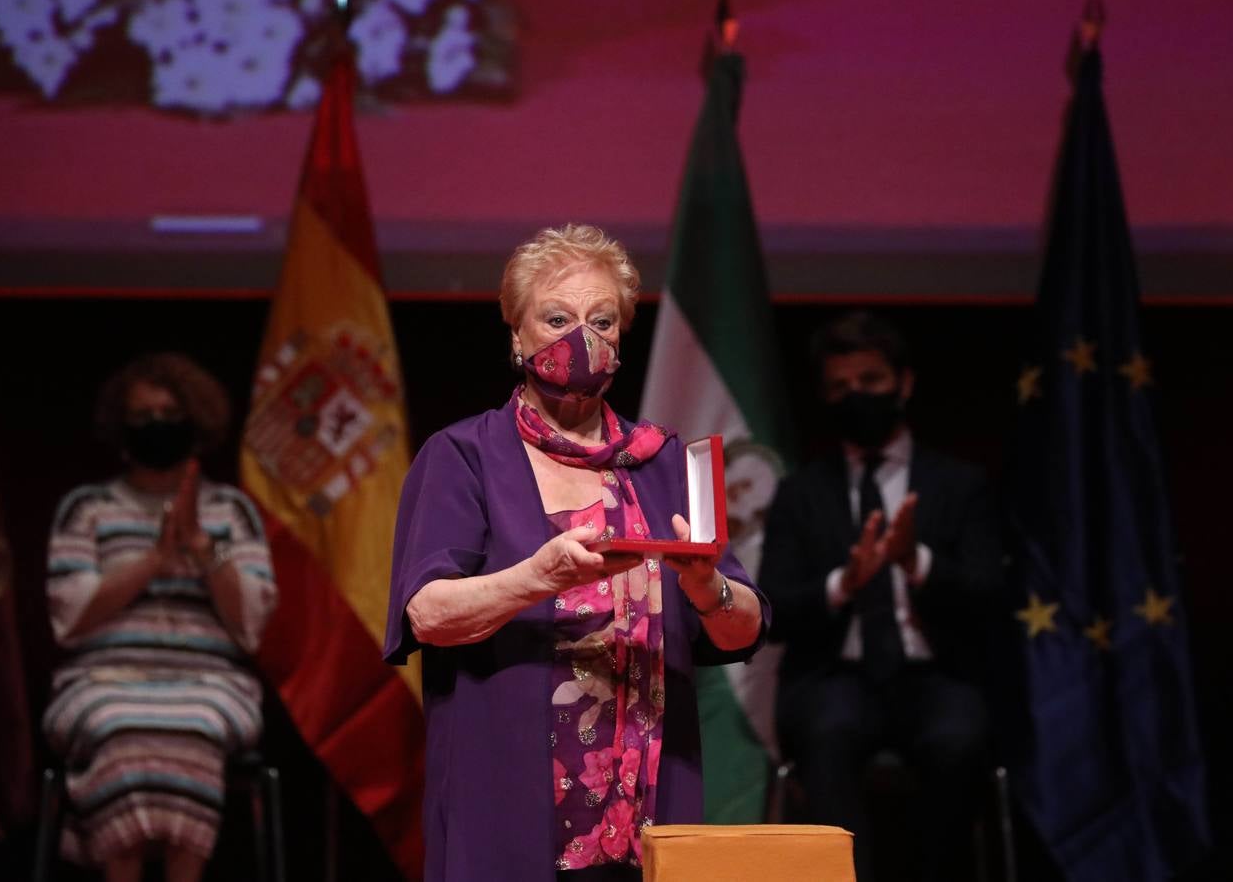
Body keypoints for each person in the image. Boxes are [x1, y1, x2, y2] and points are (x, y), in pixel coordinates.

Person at [382, 224, 770, 882]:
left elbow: (746, 626)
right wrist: (539, 576)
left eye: (602, 321)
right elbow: (428, 614)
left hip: (650, 793)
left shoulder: (665, 460)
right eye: (557, 318)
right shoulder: (464, 457)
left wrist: (708, 590)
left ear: (621, 338)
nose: (580, 340)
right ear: (515, 333)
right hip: (508, 788)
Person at [760, 311, 1003, 882]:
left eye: (870, 382)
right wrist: (845, 581)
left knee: (958, 739)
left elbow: (989, 595)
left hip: (938, 675)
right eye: (840, 388)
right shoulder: (800, 494)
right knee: (827, 732)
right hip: (834, 678)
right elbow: (772, 609)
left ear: (904, 384)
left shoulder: (959, 485)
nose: (855, 397)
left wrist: (912, 560)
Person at [42, 354, 277, 882]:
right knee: (118, 724)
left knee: (194, 725)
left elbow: (252, 624)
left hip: (211, 684)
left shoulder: (231, 513)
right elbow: (70, 617)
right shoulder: (86, 508)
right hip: (101, 681)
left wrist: (201, 549)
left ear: (194, 421)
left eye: (168, 413)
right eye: (142, 415)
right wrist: (152, 559)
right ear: (121, 428)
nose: (155, 425)